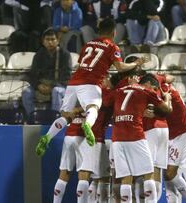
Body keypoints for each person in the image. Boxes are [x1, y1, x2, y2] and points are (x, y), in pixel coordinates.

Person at [35, 18, 147, 156]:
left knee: (67, 115)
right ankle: (87, 124)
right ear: (114, 32)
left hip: (73, 82)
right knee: (93, 108)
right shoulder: (112, 46)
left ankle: (48, 137)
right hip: (91, 83)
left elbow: (83, 63)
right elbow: (120, 67)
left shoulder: (88, 44)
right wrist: (136, 63)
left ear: (99, 31)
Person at [105, 73, 173, 203]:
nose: (154, 91)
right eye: (154, 88)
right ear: (148, 84)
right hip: (135, 136)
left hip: (117, 138)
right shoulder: (147, 91)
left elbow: (106, 102)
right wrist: (168, 98)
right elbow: (166, 110)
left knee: (125, 177)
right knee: (149, 174)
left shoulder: (119, 90)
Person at [22, 27, 71, 116]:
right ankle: (32, 117)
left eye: (53, 39)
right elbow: (33, 75)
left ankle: (55, 120)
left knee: (56, 91)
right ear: (43, 41)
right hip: (41, 86)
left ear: (58, 41)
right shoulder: (38, 55)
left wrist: (52, 86)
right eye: (47, 39)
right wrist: (38, 85)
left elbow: (66, 76)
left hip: (59, 86)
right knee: (26, 92)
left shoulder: (65, 55)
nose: (50, 42)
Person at [141, 72, 175, 201]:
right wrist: (164, 83)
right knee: (157, 168)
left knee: (148, 168)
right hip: (163, 129)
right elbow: (172, 77)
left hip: (150, 129)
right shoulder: (158, 81)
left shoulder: (142, 88)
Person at [162, 83, 186, 203]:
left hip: (182, 134)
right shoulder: (166, 86)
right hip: (170, 135)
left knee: (170, 173)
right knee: (167, 175)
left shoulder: (166, 91)